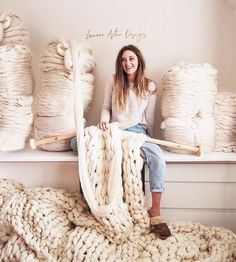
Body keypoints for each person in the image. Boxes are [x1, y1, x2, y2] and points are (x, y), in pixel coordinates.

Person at [71, 44, 171, 240]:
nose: (127, 63)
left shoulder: (150, 86)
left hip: (137, 131)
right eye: (123, 60)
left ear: (139, 60)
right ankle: (89, 203)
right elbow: (107, 107)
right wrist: (103, 122)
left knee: (158, 158)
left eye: (131, 59)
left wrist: (149, 140)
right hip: (114, 129)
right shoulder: (114, 80)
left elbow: (149, 117)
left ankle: (155, 211)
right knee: (78, 144)